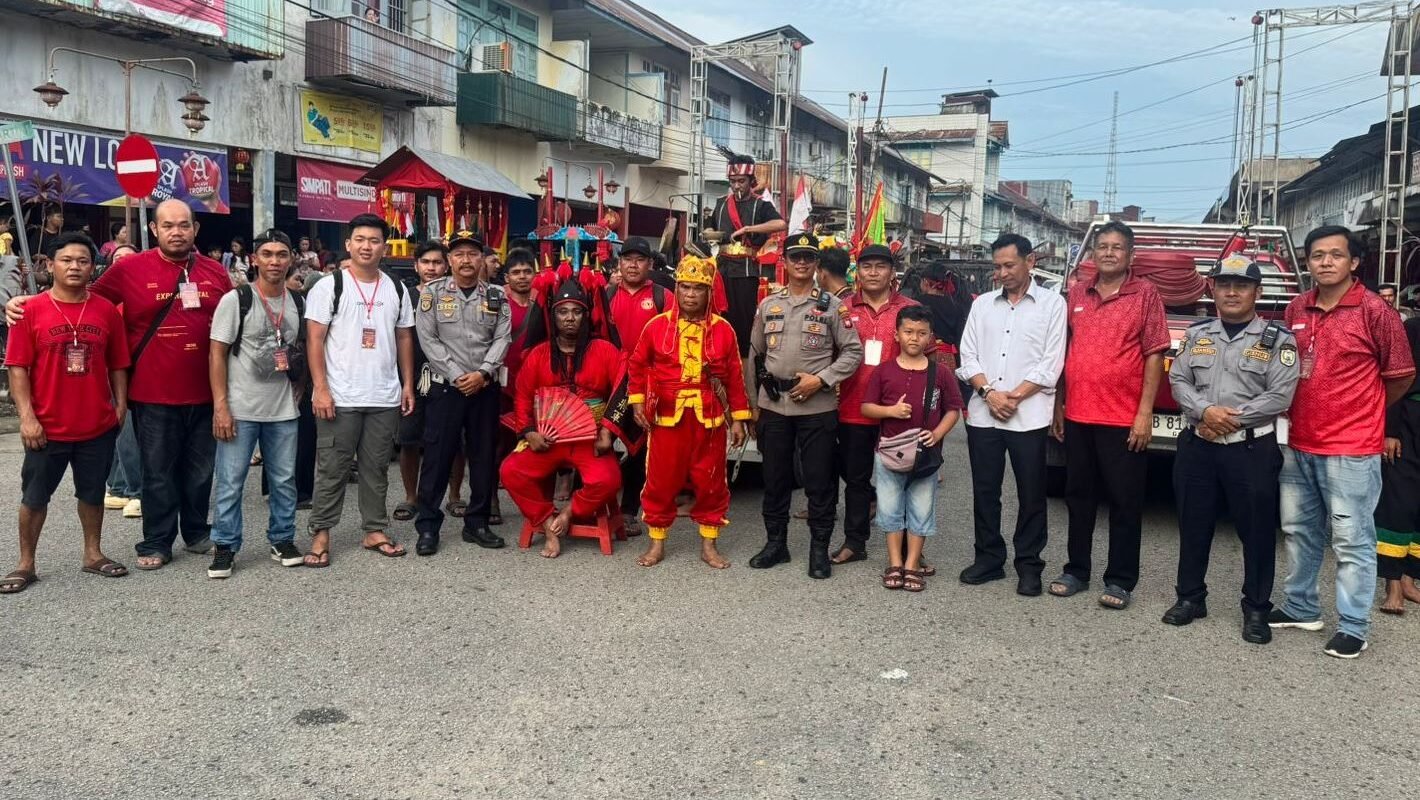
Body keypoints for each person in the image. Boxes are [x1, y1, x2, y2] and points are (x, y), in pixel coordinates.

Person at [8, 200, 232, 570]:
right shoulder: (130, 268)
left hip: (206, 391)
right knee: (157, 472)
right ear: (155, 230)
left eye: (184, 225)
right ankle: (157, 542)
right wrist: (29, 301)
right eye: (168, 225)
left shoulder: (215, 273)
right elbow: (82, 294)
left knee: (200, 471)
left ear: (195, 230)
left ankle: (196, 533)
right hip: (153, 392)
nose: (177, 232)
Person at [1271, 225, 1415, 659]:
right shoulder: (1298, 305)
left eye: (1336, 255)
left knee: (1351, 538)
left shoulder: (1375, 311)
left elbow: (1401, 374)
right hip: (1299, 441)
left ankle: (1354, 625)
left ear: (1354, 263)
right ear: (1309, 263)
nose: (1326, 262)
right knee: (1299, 531)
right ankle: (1301, 607)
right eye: (1317, 255)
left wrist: (1364, 408)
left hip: (1352, 447)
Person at [1163, 254, 1299, 643]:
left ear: (1257, 292)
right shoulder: (1197, 334)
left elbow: (1281, 394)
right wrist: (1206, 410)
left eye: (1241, 285)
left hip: (1250, 450)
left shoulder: (1278, 340)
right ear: (1213, 289)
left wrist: (1230, 419)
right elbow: (1179, 380)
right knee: (1193, 524)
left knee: (1256, 532)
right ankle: (1190, 597)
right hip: (1198, 447)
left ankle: (1256, 609)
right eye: (1225, 284)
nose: (1232, 292)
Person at [0, 233, 130, 594]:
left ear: (93, 266)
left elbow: (118, 363)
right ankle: (26, 563)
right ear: (50, 265)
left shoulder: (106, 310)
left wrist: (120, 405)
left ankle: (93, 554)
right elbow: (18, 368)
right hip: (46, 426)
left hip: (96, 424)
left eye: (83, 261)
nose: (75, 267)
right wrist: (26, 417)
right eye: (67, 260)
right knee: (34, 496)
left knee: (91, 494)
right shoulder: (30, 310)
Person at [1049, 221, 1168, 610]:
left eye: (1118, 247)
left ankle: (1119, 580)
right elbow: (1065, 351)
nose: (1109, 253)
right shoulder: (1076, 293)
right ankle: (1076, 570)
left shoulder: (1145, 294)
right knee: (1078, 497)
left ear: (1130, 255)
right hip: (1080, 414)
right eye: (1102, 246)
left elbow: (1155, 353)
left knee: (1124, 501)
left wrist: (1145, 412)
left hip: (1122, 418)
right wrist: (1059, 404)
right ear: (1093, 253)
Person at [957, 234, 1067, 596]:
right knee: (985, 490)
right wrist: (989, 393)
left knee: (1031, 492)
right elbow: (967, 355)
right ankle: (988, 558)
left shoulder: (1052, 304)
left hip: (1029, 414)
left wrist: (1013, 397)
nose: (1002, 273)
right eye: (997, 266)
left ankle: (1029, 564)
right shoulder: (982, 305)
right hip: (983, 412)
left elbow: (1051, 363)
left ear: (1030, 262)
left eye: (1009, 265)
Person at [748, 233, 863, 579]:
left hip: (817, 408)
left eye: (807, 258)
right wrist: (754, 405)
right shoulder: (769, 304)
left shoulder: (832, 306)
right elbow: (754, 356)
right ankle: (776, 544)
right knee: (775, 479)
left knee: (819, 483)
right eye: (795, 257)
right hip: (774, 406)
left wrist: (822, 379)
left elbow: (853, 352)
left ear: (816, 265)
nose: (801, 263)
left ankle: (818, 550)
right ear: (784, 261)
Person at [303, 213, 416, 566]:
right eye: (360, 240)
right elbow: (314, 339)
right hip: (340, 395)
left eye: (375, 240)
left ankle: (374, 529)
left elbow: (404, 337)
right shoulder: (329, 286)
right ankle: (321, 532)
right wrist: (320, 388)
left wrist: (407, 383)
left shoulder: (396, 288)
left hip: (383, 395)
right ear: (349, 244)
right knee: (333, 468)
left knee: (377, 467)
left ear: (385, 246)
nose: (367, 246)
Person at [627, 254, 750, 568]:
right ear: (677, 289)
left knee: (711, 482)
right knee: (660, 480)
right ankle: (657, 544)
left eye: (698, 288)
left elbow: (734, 376)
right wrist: (638, 402)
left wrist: (739, 418)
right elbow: (637, 365)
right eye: (685, 287)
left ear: (709, 292)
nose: (691, 294)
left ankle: (709, 545)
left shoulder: (724, 330)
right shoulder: (656, 326)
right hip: (667, 417)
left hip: (709, 419)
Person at [205, 230, 307, 579]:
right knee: (231, 481)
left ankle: (282, 539)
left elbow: (302, 349)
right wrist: (221, 406)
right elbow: (216, 354)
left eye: (281, 254)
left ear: (291, 258)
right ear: (254, 259)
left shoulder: (298, 302)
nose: (275, 261)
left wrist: (302, 385)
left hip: (283, 410)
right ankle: (225, 545)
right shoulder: (237, 300)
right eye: (267, 254)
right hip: (241, 408)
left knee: (284, 480)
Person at [500, 278, 623, 557]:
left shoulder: (605, 351)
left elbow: (624, 389)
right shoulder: (538, 354)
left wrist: (608, 430)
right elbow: (521, 396)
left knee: (608, 480)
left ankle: (567, 513)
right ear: (553, 316)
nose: (570, 318)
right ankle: (546, 524)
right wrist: (529, 431)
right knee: (510, 471)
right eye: (562, 312)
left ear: (586, 315)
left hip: (589, 437)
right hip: (548, 438)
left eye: (576, 312)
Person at [411, 230, 512, 556]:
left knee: (483, 456)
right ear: (449, 260)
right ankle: (428, 525)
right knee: (438, 457)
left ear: (482, 258)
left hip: (484, 388)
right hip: (446, 389)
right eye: (458, 254)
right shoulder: (433, 294)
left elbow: (502, 337)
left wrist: (482, 373)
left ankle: (477, 522)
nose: (465, 260)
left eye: (472, 253)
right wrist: (458, 376)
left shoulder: (496, 295)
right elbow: (429, 341)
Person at [861, 305, 963, 592]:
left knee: (921, 509)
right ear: (896, 335)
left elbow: (953, 409)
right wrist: (891, 411)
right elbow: (867, 408)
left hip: (925, 455)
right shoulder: (884, 371)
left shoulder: (940, 373)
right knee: (891, 509)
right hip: (889, 453)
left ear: (931, 337)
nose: (914, 338)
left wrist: (938, 433)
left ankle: (912, 564)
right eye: (908, 332)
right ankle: (894, 562)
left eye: (921, 333)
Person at [829, 243, 918, 566]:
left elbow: (928, 359)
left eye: (881, 266)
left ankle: (911, 549)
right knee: (855, 480)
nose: (874, 273)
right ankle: (855, 541)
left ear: (892, 272)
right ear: (858, 272)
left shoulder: (909, 309)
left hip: (900, 412)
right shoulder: (841, 308)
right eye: (867, 267)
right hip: (853, 407)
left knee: (903, 479)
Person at [605, 236, 670, 536]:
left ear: (650, 264)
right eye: (627, 259)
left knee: (639, 447)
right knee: (601, 442)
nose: (633, 264)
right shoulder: (604, 295)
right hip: (609, 382)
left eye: (639, 259)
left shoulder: (663, 297)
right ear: (619, 263)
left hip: (648, 383)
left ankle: (630, 509)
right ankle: (599, 505)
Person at [707, 154, 786, 354]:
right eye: (732, 182)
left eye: (741, 181)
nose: (736, 186)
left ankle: (743, 361)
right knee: (719, 315)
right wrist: (710, 235)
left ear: (751, 181)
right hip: (722, 268)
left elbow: (780, 223)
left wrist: (750, 229)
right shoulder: (721, 203)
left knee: (743, 320)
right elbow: (709, 228)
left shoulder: (761, 204)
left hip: (746, 270)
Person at [394, 241, 450, 524]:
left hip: (449, 377)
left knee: (454, 440)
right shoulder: (404, 296)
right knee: (409, 439)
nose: (432, 268)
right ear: (416, 266)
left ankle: (454, 496)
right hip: (412, 377)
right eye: (426, 262)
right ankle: (411, 497)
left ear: (446, 264)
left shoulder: (454, 295)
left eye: (437, 262)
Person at [1377, 314, 1420, 613]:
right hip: (1409, 425)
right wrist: (1389, 430)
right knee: (1398, 502)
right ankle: (1392, 583)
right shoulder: (1413, 328)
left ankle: (1409, 579)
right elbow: (1395, 377)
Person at [101, 242, 144, 520]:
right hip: (107, 372)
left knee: (128, 431)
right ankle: (118, 487)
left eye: (130, 258)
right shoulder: (102, 298)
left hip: (139, 370)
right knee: (117, 430)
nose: (124, 262)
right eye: (118, 258)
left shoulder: (143, 293)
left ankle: (137, 490)